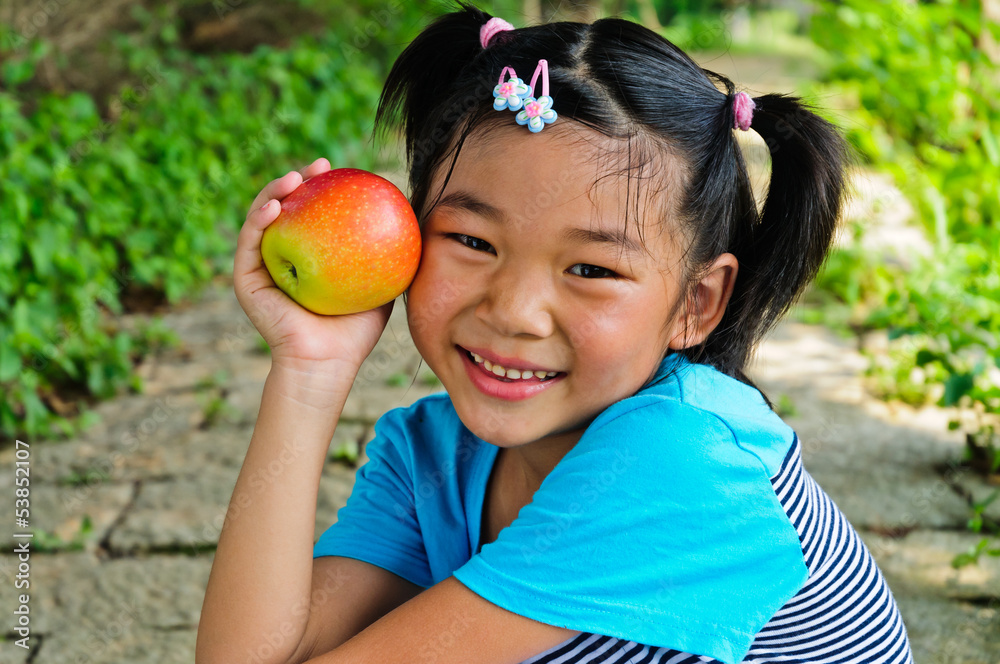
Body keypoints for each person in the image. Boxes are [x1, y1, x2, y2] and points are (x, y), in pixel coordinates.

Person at [197, 3, 914, 663]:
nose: (514, 311)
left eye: (590, 269)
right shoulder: (431, 454)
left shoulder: (678, 460)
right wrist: (308, 371)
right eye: (473, 242)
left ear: (698, 302)